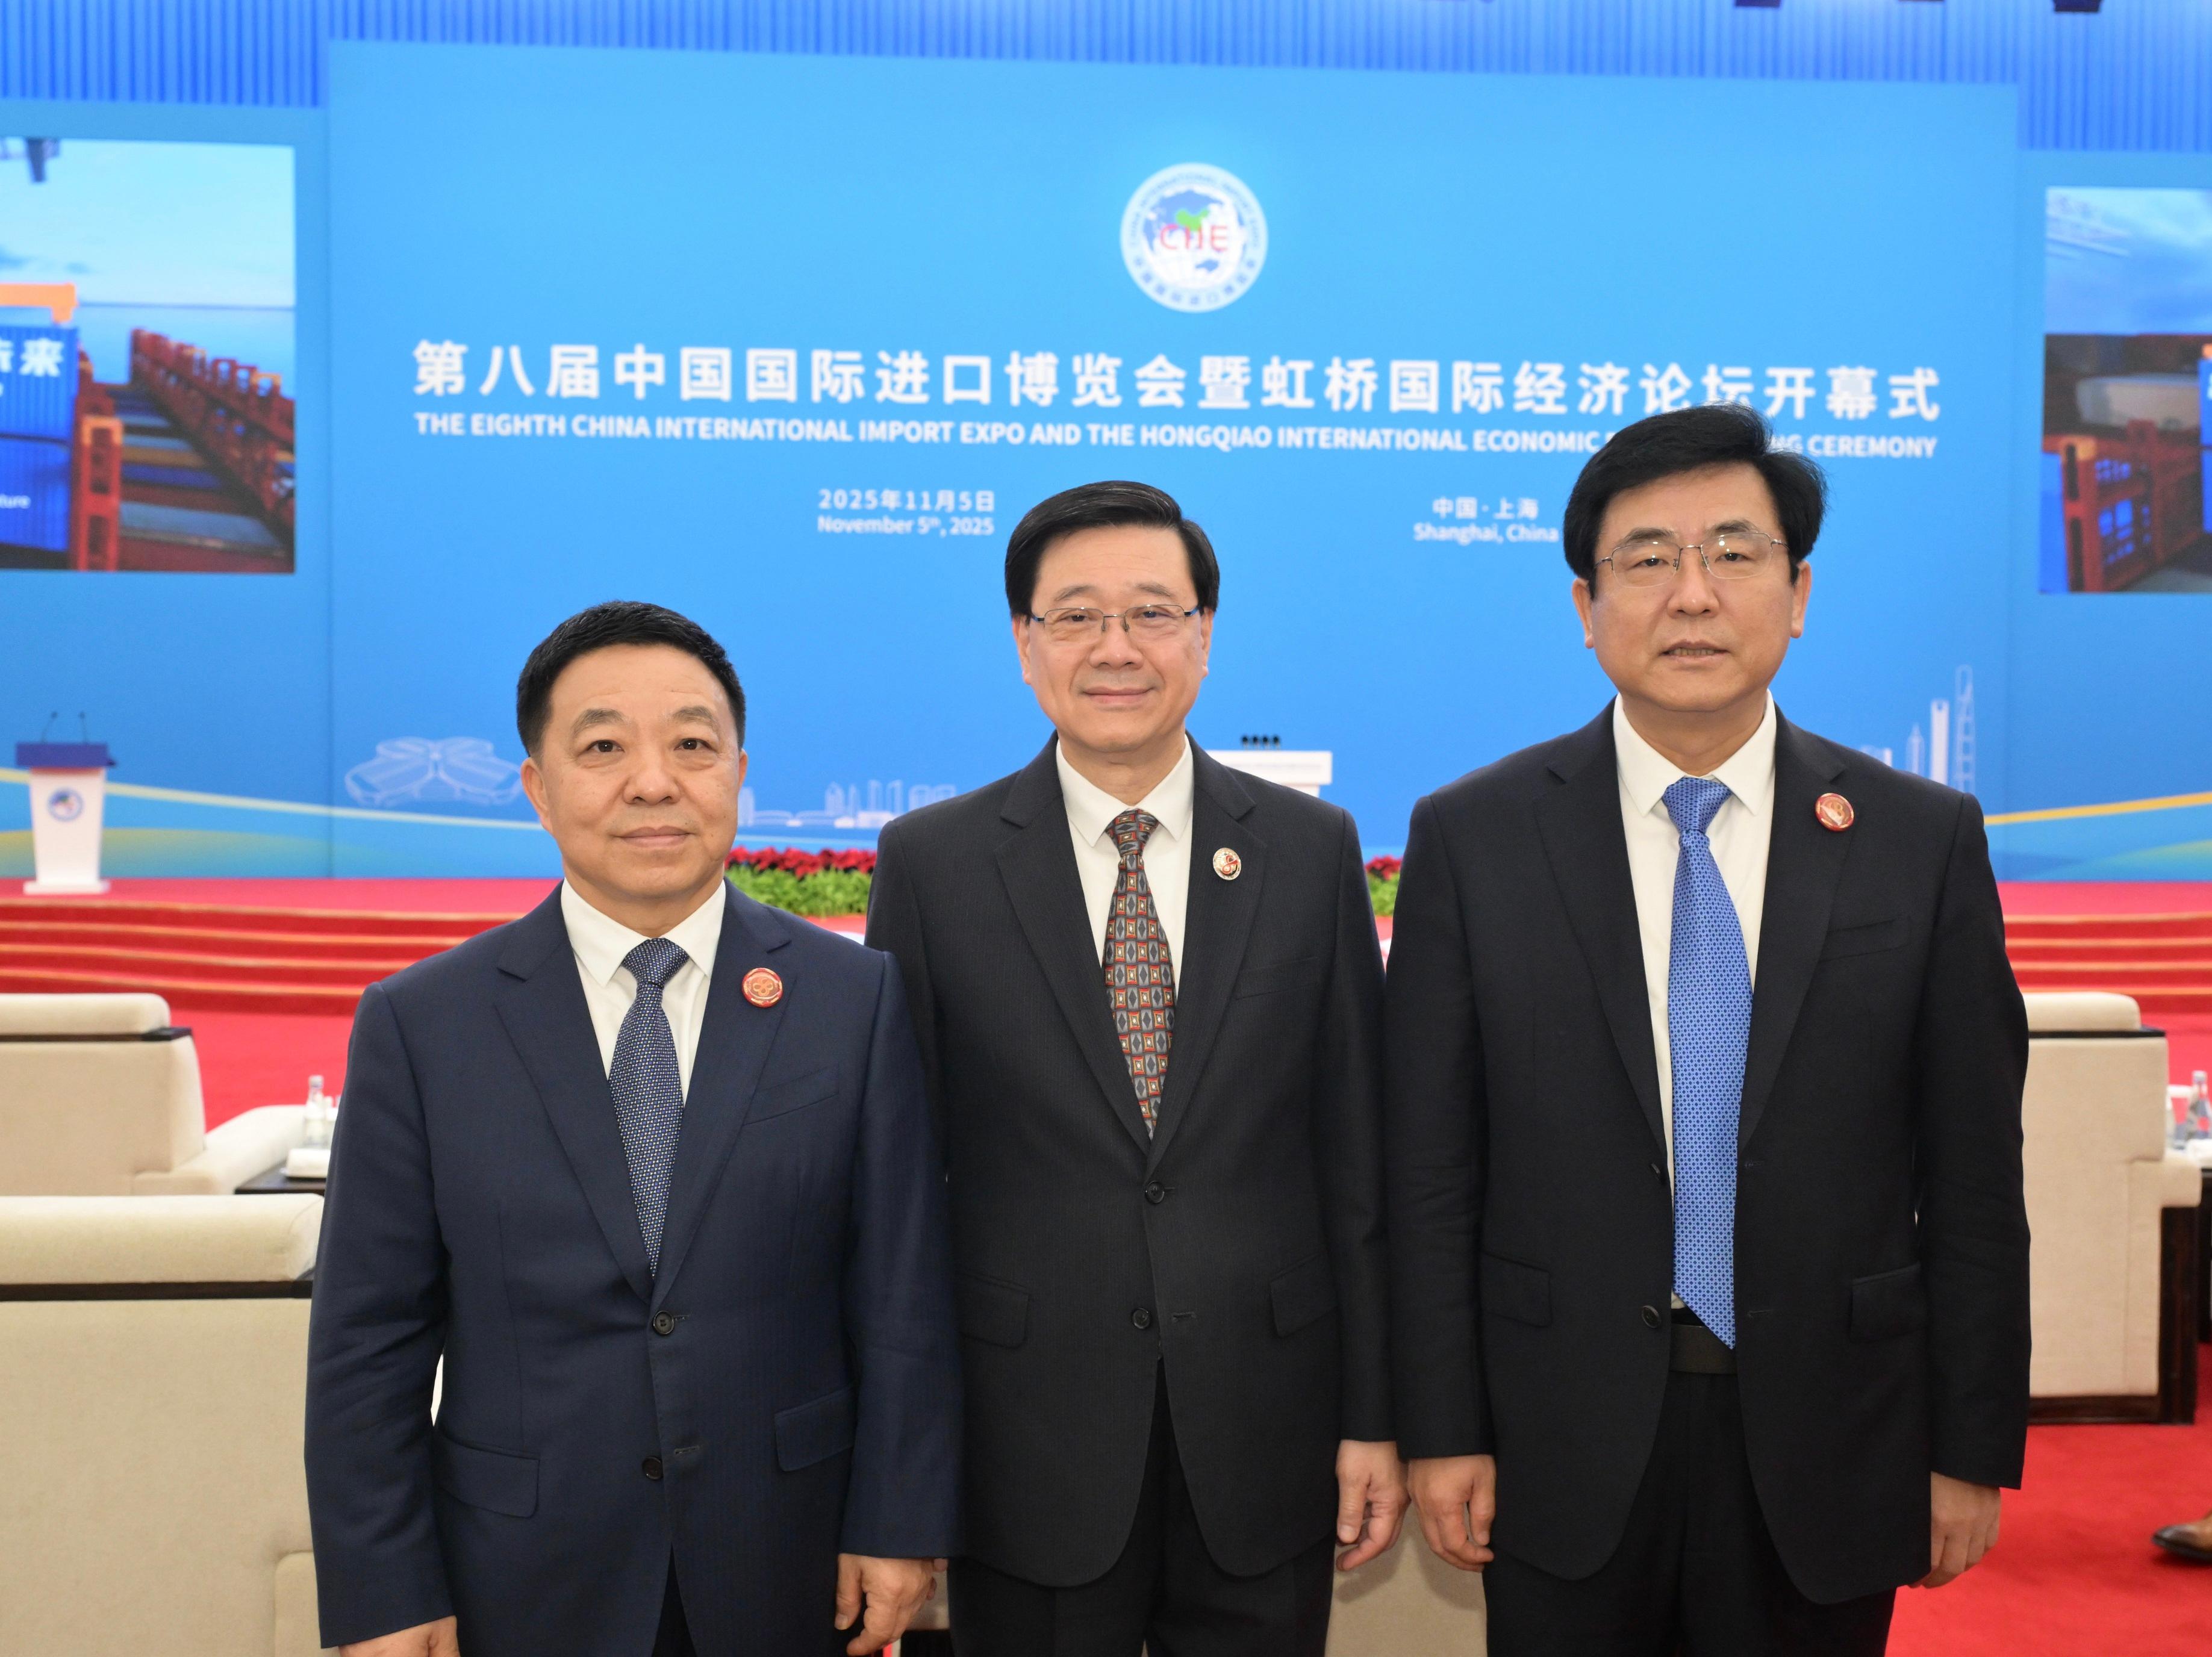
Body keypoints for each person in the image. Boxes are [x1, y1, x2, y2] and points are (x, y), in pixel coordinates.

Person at [1383, 405, 2031, 1655]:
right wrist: (1442, 1424)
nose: (1690, 595)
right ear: (1585, 603)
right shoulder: (1476, 836)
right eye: (1646, 559)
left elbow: (1970, 1175)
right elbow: (1428, 1175)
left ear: (1797, 592)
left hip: (1832, 1430)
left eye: (1732, 554)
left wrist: (1967, 1441)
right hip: (1554, 1432)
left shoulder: (1916, 835)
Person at [305, 601, 962, 1657]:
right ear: (538, 786)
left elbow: (901, 1293)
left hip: (789, 1561)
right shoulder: (424, 1022)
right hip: (520, 1570)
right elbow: (367, 1343)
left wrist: (900, 1520)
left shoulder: (853, 999)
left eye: (693, 745)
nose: (653, 782)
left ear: (737, 769)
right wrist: (385, 1587)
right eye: (603, 746)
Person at [865, 481, 1404, 1657]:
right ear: (1024, 644)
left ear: (1204, 634)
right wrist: (904, 1460)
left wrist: (1374, 1417)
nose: (1116, 648)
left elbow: (1357, 1161)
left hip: (1266, 1429)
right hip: (1027, 1441)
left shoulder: (1308, 852)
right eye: (1075, 617)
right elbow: (901, 1190)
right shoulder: (935, 865)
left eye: (1153, 612)